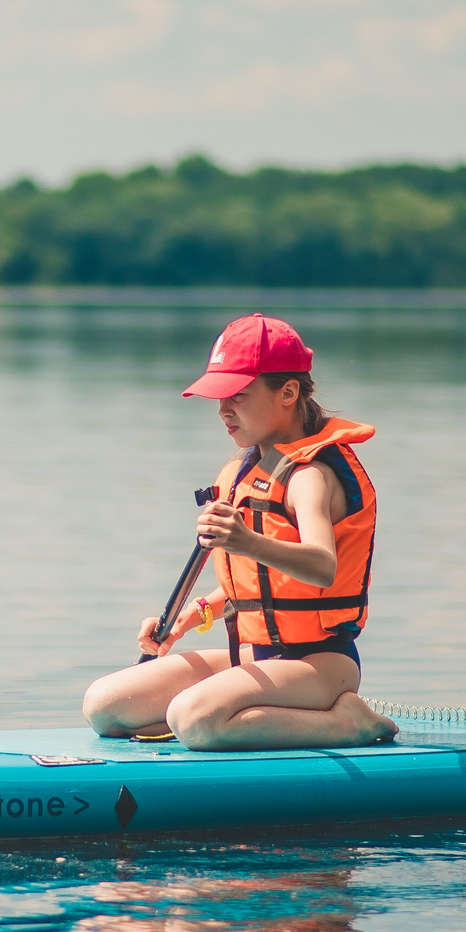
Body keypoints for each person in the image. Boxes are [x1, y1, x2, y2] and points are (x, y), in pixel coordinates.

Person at [82, 313, 397, 751]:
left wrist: (245, 540)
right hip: (256, 654)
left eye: (238, 395)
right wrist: (188, 620)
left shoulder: (309, 476)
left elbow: (323, 567)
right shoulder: (247, 471)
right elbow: (257, 587)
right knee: (105, 706)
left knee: (193, 719)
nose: (223, 409)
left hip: (320, 664)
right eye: (219, 396)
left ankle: (346, 723)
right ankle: (236, 715)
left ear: (287, 392)